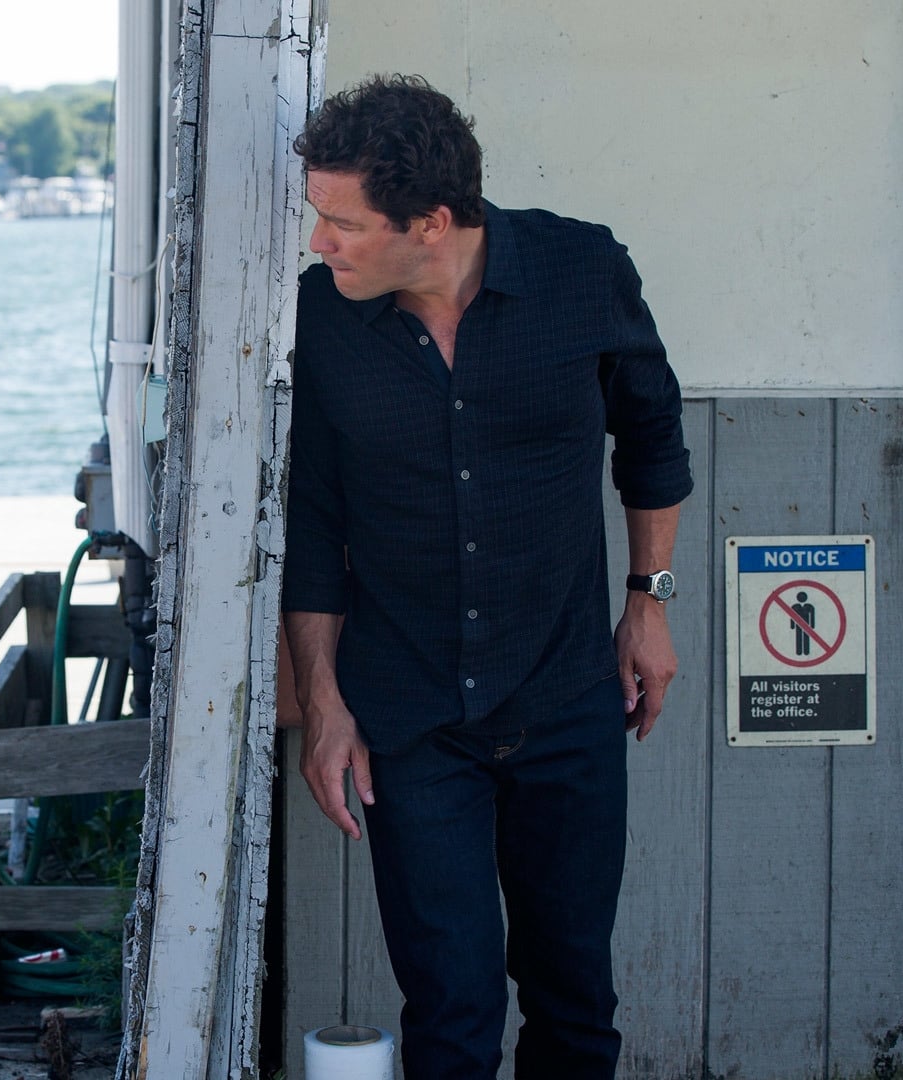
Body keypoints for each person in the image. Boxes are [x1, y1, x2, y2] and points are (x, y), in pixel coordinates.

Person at [281, 75, 692, 1079]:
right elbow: (314, 522)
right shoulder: (322, 317)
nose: (320, 243)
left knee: (575, 1001)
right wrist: (324, 703)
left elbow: (652, 437)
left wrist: (649, 602)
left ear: (431, 222)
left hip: (566, 699)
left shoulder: (582, 270)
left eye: (343, 223)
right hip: (410, 718)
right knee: (452, 1012)